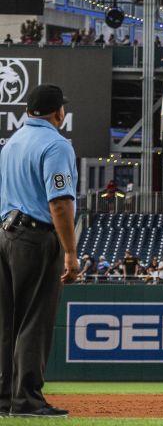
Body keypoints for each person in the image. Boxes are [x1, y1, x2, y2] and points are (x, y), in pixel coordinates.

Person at [0, 84, 80, 417]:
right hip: (34, 237)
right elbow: (59, 204)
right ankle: (27, 400)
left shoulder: (12, 143)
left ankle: (5, 399)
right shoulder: (55, 144)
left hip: (5, 234)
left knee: (7, 323)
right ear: (57, 112)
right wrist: (70, 253)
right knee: (35, 320)